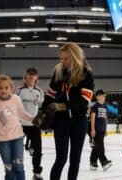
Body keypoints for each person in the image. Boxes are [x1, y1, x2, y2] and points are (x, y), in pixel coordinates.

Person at [41, 42, 94, 180]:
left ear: (75, 57)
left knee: (75, 160)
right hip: (61, 122)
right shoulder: (58, 71)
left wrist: (65, 106)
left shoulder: (86, 74)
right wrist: (41, 112)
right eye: (61, 58)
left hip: (79, 121)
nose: (62, 61)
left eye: (66, 58)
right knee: (61, 158)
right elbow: (50, 95)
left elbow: (84, 101)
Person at [15, 67, 44, 180]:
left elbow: (40, 108)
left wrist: (40, 120)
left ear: (37, 77)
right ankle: (15, 170)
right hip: (20, 124)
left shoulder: (39, 91)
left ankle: (37, 173)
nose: (31, 76)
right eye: (29, 74)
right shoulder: (19, 90)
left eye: (34, 74)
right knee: (16, 149)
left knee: (38, 150)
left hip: (34, 125)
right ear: (25, 76)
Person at [90, 90, 112, 171]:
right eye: (102, 95)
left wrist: (106, 129)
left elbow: (105, 118)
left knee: (97, 146)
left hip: (102, 129)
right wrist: (92, 129)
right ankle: (104, 162)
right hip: (96, 129)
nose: (104, 97)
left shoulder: (105, 106)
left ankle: (93, 162)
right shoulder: (95, 106)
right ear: (97, 96)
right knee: (100, 147)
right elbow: (92, 118)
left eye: (104, 95)